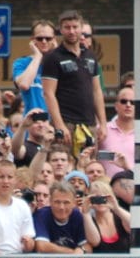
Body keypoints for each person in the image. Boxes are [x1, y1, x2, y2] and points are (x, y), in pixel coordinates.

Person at [41, 10, 106, 157]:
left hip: (89, 124)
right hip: (67, 123)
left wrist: (102, 123)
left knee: (88, 166)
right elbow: (48, 93)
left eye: (75, 27)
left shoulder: (90, 55)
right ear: (61, 29)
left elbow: (96, 91)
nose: (71, 31)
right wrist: (59, 125)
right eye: (67, 27)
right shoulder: (53, 57)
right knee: (63, 165)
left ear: (81, 28)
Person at [13, 20, 56, 116]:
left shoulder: (59, 63)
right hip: (32, 123)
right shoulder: (21, 63)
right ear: (32, 40)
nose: (44, 41)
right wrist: (38, 56)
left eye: (48, 38)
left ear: (54, 40)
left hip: (55, 125)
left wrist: (56, 54)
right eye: (40, 38)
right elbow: (24, 84)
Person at [97, 86, 135, 177]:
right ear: (116, 106)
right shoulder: (102, 129)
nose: (128, 105)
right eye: (123, 101)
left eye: (133, 102)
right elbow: (94, 156)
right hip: (105, 188)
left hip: (134, 186)